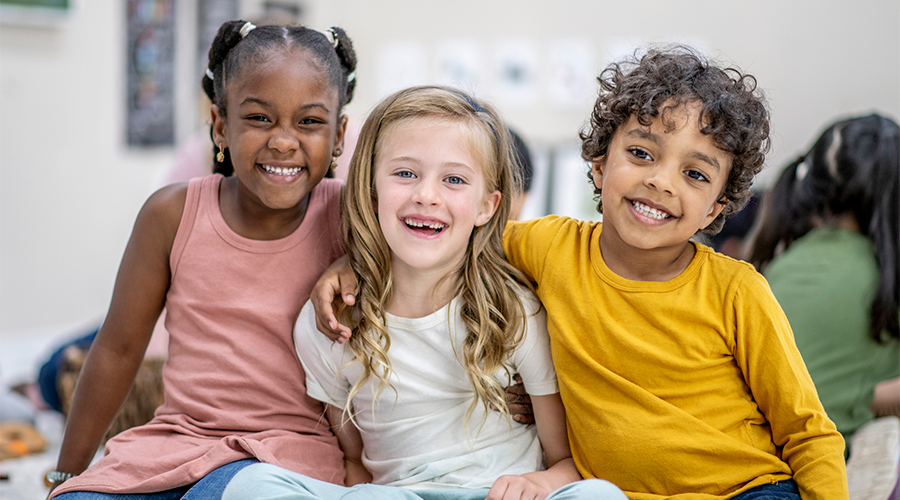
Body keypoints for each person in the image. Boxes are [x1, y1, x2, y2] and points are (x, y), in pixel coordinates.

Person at [310, 46, 849, 499]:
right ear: (597, 163)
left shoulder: (737, 290)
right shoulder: (548, 246)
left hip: (746, 490)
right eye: (641, 152)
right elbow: (441, 236)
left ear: (717, 208)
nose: (661, 181)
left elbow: (808, 432)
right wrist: (356, 263)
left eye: (694, 173)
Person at [222, 86, 625, 500]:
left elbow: (563, 462)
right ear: (371, 187)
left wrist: (538, 483)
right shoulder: (329, 322)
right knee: (250, 486)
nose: (426, 195)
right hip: (396, 496)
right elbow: (355, 462)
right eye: (405, 173)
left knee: (600, 495)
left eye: (453, 179)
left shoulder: (513, 310)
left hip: (497, 494)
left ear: (487, 206)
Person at [48, 19, 357, 499]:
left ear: (338, 136)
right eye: (258, 118)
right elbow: (117, 350)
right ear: (219, 125)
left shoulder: (352, 218)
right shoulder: (170, 214)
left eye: (309, 122)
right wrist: (66, 476)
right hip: (176, 442)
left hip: (284, 458)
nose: (283, 140)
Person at [746, 114, 899, 499]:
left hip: (753, 465)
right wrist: (866, 394)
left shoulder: (781, 260)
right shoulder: (886, 276)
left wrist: (862, 391)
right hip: (824, 471)